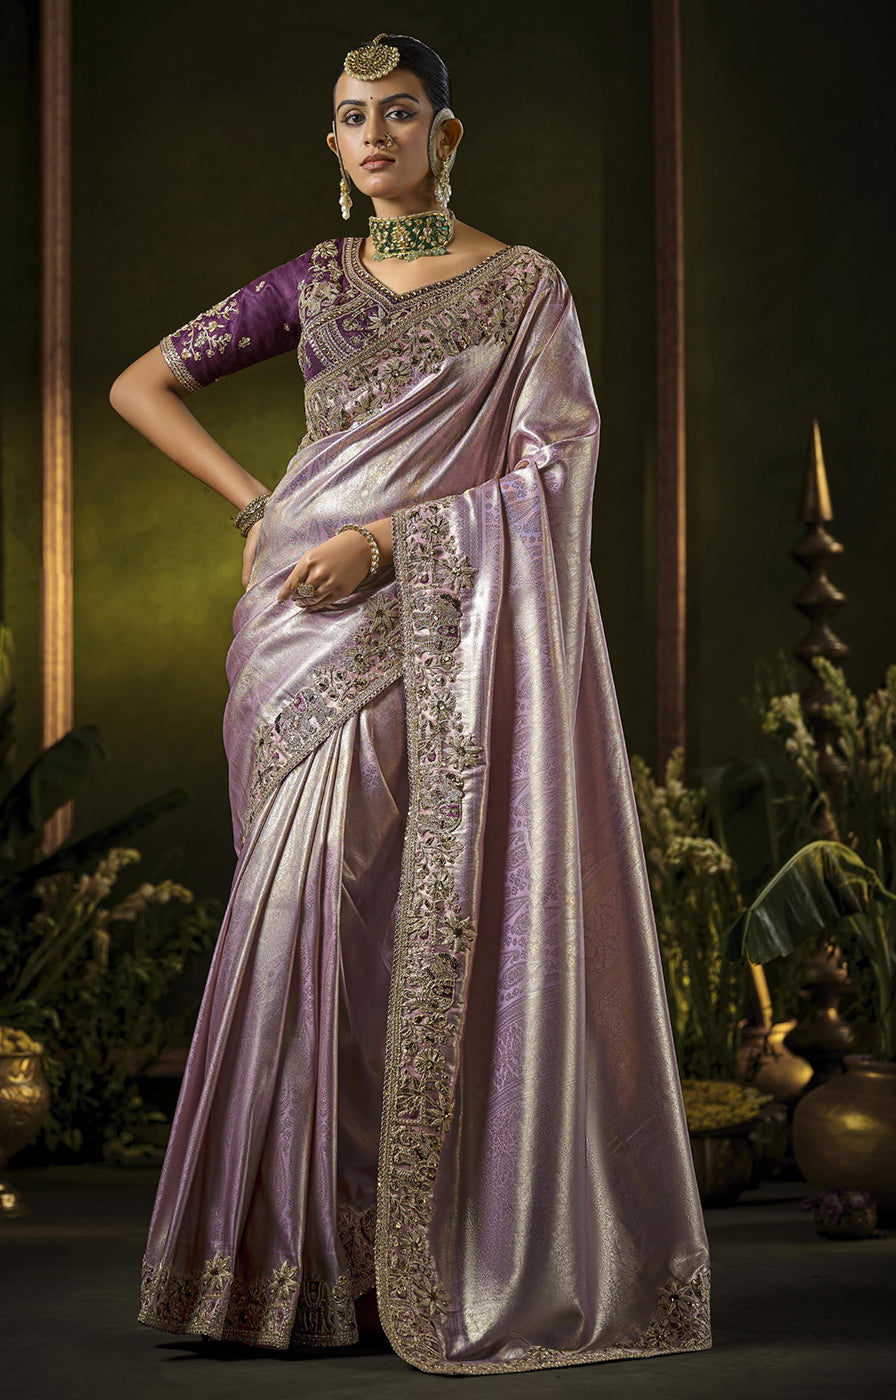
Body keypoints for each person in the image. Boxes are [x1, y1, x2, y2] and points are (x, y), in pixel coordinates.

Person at [110, 31, 712, 1379]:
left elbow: (552, 473)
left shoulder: (522, 288)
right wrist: (259, 508)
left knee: (388, 918)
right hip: (295, 628)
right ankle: (283, 1271)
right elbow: (139, 384)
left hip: (424, 618)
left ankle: (412, 1253)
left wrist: (389, 544)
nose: (373, 133)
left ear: (447, 134)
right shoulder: (308, 282)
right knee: (299, 914)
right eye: (350, 116)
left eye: (397, 111)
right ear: (332, 146)